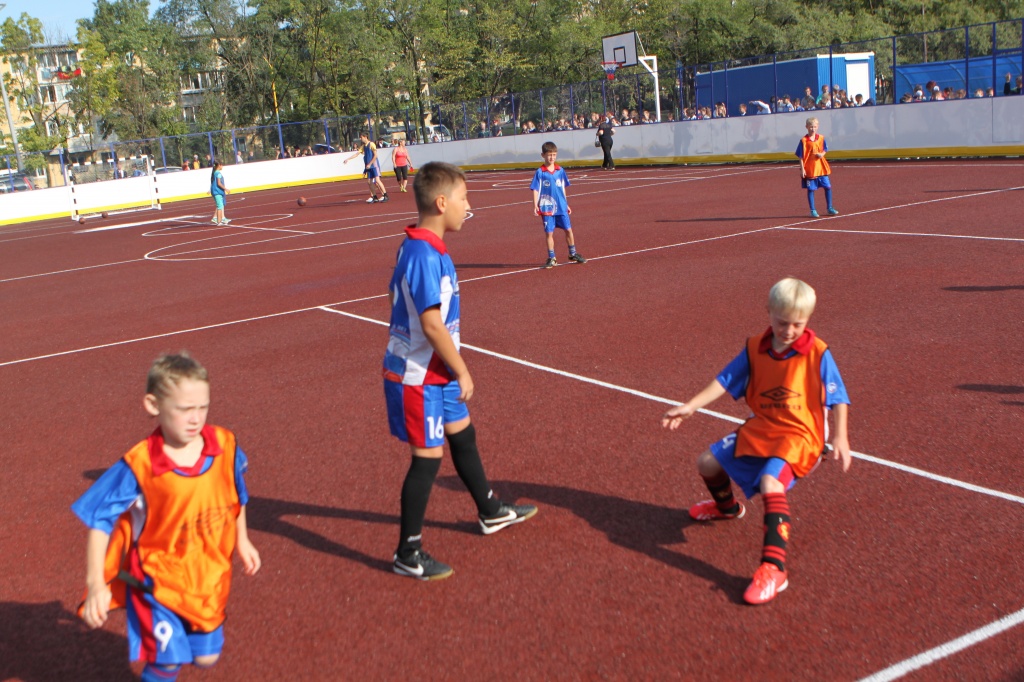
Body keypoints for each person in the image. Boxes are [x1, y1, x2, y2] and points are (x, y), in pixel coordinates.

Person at [384, 162, 537, 580]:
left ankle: (489, 510)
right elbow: (431, 324)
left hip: (437, 370)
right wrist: (463, 370)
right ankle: (407, 552)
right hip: (418, 374)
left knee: (463, 435)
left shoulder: (428, 248)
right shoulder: (421, 253)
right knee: (427, 459)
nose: (468, 206)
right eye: (464, 198)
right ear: (441, 202)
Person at [662, 277, 851, 605]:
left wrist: (841, 437)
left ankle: (774, 569)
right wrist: (690, 406)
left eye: (798, 324)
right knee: (706, 463)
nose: (789, 331)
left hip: (801, 435)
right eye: (782, 322)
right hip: (765, 426)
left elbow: (839, 397)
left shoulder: (818, 353)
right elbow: (724, 380)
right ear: (768, 312)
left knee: (769, 482)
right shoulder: (755, 348)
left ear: (808, 320)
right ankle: (727, 509)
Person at [72, 353, 261, 681]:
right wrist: (95, 582)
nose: (196, 418)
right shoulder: (140, 464)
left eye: (203, 407)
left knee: (206, 657)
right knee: (168, 662)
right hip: (155, 579)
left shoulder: (225, 445)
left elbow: (236, 493)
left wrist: (242, 539)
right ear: (153, 404)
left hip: (206, 575)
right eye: (184, 409)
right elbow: (100, 519)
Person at [530, 141, 586, 270]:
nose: (552, 157)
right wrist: (535, 205)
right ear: (543, 155)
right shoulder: (540, 172)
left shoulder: (560, 170)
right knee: (549, 233)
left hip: (561, 206)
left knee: (568, 230)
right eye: (549, 155)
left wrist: (566, 203)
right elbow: (535, 189)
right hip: (547, 207)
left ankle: (572, 254)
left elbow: (563, 188)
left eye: (554, 155)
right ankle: (552, 257)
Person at [796, 117, 837, 218]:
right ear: (806, 127)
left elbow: (825, 149)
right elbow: (800, 156)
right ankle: (813, 210)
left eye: (814, 127)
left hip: (821, 168)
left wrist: (822, 154)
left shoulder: (821, 138)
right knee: (811, 189)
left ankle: (830, 207)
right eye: (811, 127)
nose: (813, 129)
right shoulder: (804, 141)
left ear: (817, 127)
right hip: (810, 169)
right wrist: (802, 169)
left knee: (828, 187)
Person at [346, 132, 389, 203]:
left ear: (365, 137)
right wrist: (348, 159)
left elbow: (375, 155)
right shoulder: (363, 146)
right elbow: (357, 154)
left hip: (374, 165)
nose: (360, 139)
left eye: (361, 137)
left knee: (377, 180)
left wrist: (370, 164)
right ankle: (374, 196)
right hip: (369, 167)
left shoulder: (371, 144)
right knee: (369, 181)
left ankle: (385, 195)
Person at [209, 161, 230, 225]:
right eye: (222, 165)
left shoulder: (214, 173)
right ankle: (219, 221)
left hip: (215, 191)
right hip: (218, 192)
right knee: (220, 206)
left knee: (220, 205)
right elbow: (219, 183)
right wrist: (226, 189)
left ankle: (220, 219)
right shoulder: (218, 174)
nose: (222, 166)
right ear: (219, 165)